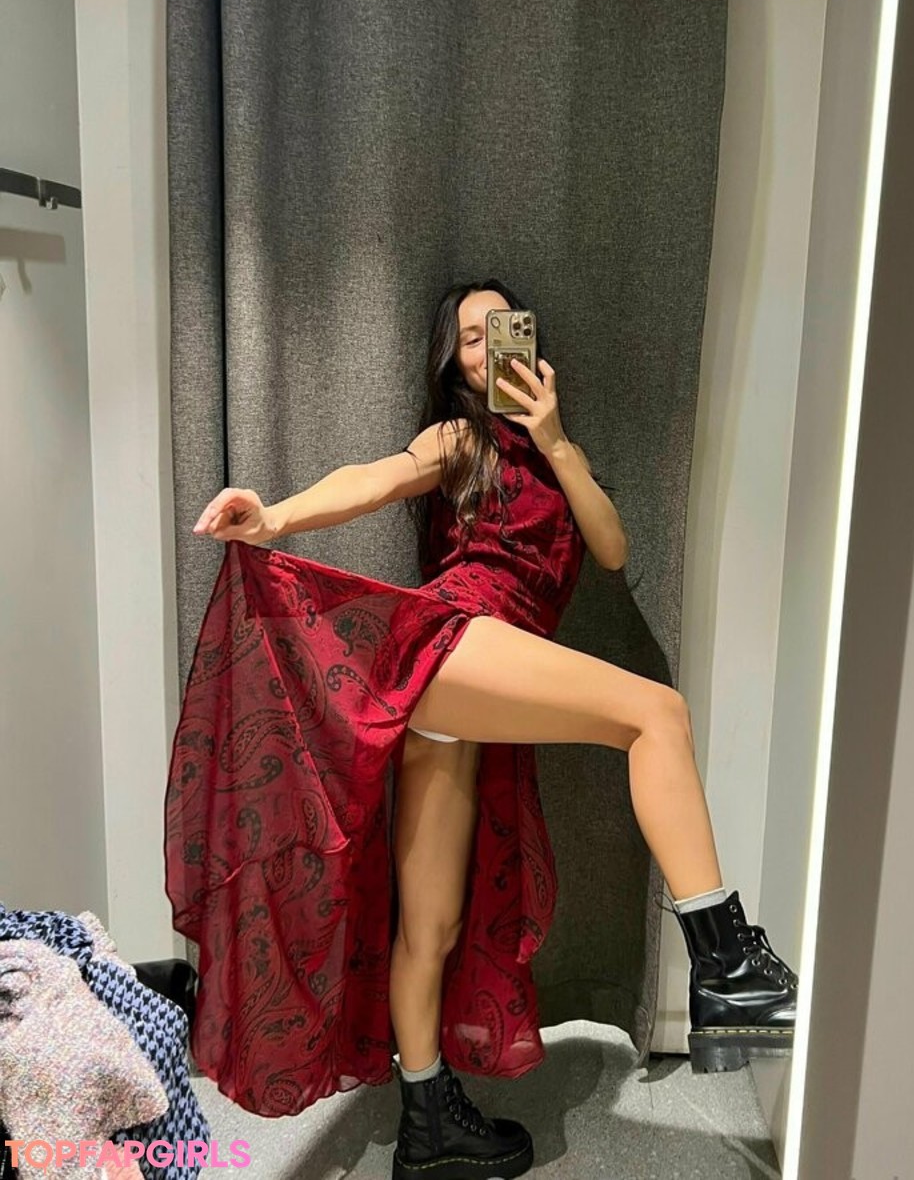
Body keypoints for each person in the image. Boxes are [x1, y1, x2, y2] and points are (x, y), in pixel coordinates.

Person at [173, 279, 797, 1180]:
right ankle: (728, 964)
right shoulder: (460, 437)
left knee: (431, 921)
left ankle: (427, 1123)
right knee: (656, 713)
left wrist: (555, 439)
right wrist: (274, 516)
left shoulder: (555, 451)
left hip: (469, 685)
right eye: (469, 336)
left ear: (526, 339)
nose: (485, 346)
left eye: (498, 327)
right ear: (454, 362)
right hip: (455, 635)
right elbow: (376, 478)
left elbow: (612, 548)